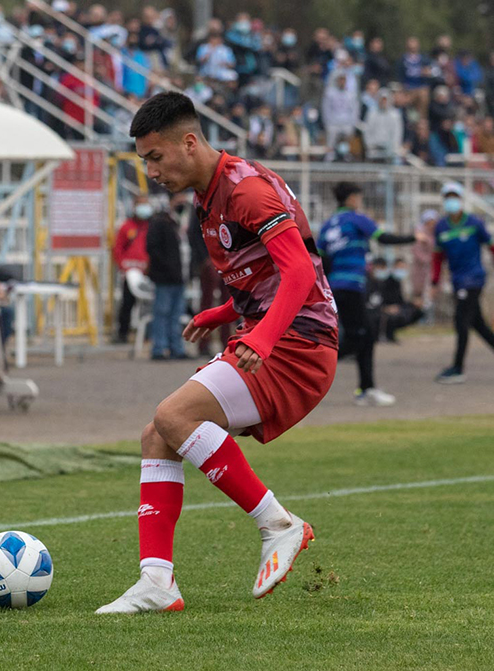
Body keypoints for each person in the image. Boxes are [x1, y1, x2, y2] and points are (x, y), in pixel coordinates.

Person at [97, 92, 339, 614]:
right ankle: (157, 582)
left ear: (189, 142)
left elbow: (300, 272)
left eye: (155, 158)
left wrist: (262, 337)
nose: (151, 172)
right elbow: (266, 275)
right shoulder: (209, 199)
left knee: (173, 415)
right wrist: (226, 311)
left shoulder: (246, 191)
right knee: (156, 435)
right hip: (276, 334)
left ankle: (278, 524)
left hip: (299, 344)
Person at [316, 182, 417, 406]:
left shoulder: (328, 225)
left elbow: (321, 259)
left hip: (334, 287)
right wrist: (413, 238)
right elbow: (382, 238)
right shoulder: (355, 218)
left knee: (361, 336)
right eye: (358, 197)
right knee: (363, 336)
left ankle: (365, 388)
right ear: (352, 198)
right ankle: (359, 386)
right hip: (352, 286)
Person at [431, 182, 494, 384]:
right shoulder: (441, 227)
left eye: (454, 196)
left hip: (474, 278)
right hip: (457, 280)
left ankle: (458, 368)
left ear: (460, 199)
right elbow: (438, 258)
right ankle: (457, 367)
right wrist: (434, 282)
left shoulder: (474, 222)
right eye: (447, 197)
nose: (451, 201)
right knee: (478, 324)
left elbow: (490, 244)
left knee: (461, 322)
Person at [146, 192, 189, 360]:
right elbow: (153, 248)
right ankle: (159, 348)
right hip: (165, 278)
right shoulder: (160, 222)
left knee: (176, 315)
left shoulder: (180, 222)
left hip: (180, 277)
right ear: (171, 201)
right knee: (162, 313)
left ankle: (176, 347)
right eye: (179, 201)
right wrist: (166, 267)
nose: (182, 204)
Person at [112, 197, 152, 344]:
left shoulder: (151, 226)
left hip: (147, 271)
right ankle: (123, 333)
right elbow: (117, 249)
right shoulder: (126, 227)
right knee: (127, 303)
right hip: (130, 272)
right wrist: (123, 266)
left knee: (148, 306)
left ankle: (147, 334)